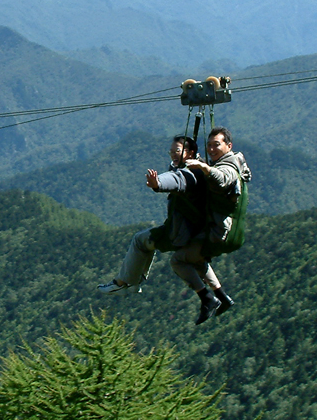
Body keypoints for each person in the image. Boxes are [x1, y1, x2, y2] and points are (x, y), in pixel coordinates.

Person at [97, 135, 214, 295]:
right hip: (197, 230)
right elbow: (176, 174)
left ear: (190, 152)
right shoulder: (202, 168)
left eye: (177, 151)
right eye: (171, 152)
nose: (173, 155)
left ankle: (123, 283)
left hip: (181, 233)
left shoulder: (190, 174)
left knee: (140, 240)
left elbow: (177, 179)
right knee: (145, 243)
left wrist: (157, 183)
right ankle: (219, 296)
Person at [173, 126, 251, 324]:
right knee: (197, 258)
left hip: (218, 233)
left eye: (216, 144)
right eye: (209, 145)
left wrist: (206, 169)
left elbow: (223, 178)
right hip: (226, 231)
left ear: (229, 145)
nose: (212, 149)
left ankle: (206, 298)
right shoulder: (234, 163)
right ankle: (222, 297)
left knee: (178, 260)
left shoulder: (229, 167)